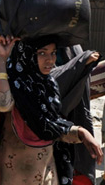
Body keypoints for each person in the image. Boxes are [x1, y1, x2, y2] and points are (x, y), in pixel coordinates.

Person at [0, 35, 103, 184]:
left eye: (53, 52)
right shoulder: (16, 84)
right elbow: (2, 103)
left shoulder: (48, 85)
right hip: (15, 174)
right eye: (42, 53)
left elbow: (53, 125)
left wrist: (80, 132)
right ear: (27, 54)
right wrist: (1, 58)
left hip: (46, 173)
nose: (50, 59)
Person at [52, 45, 102, 184]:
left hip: (76, 123)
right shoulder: (32, 46)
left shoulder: (72, 47)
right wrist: (79, 64)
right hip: (45, 135)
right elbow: (48, 83)